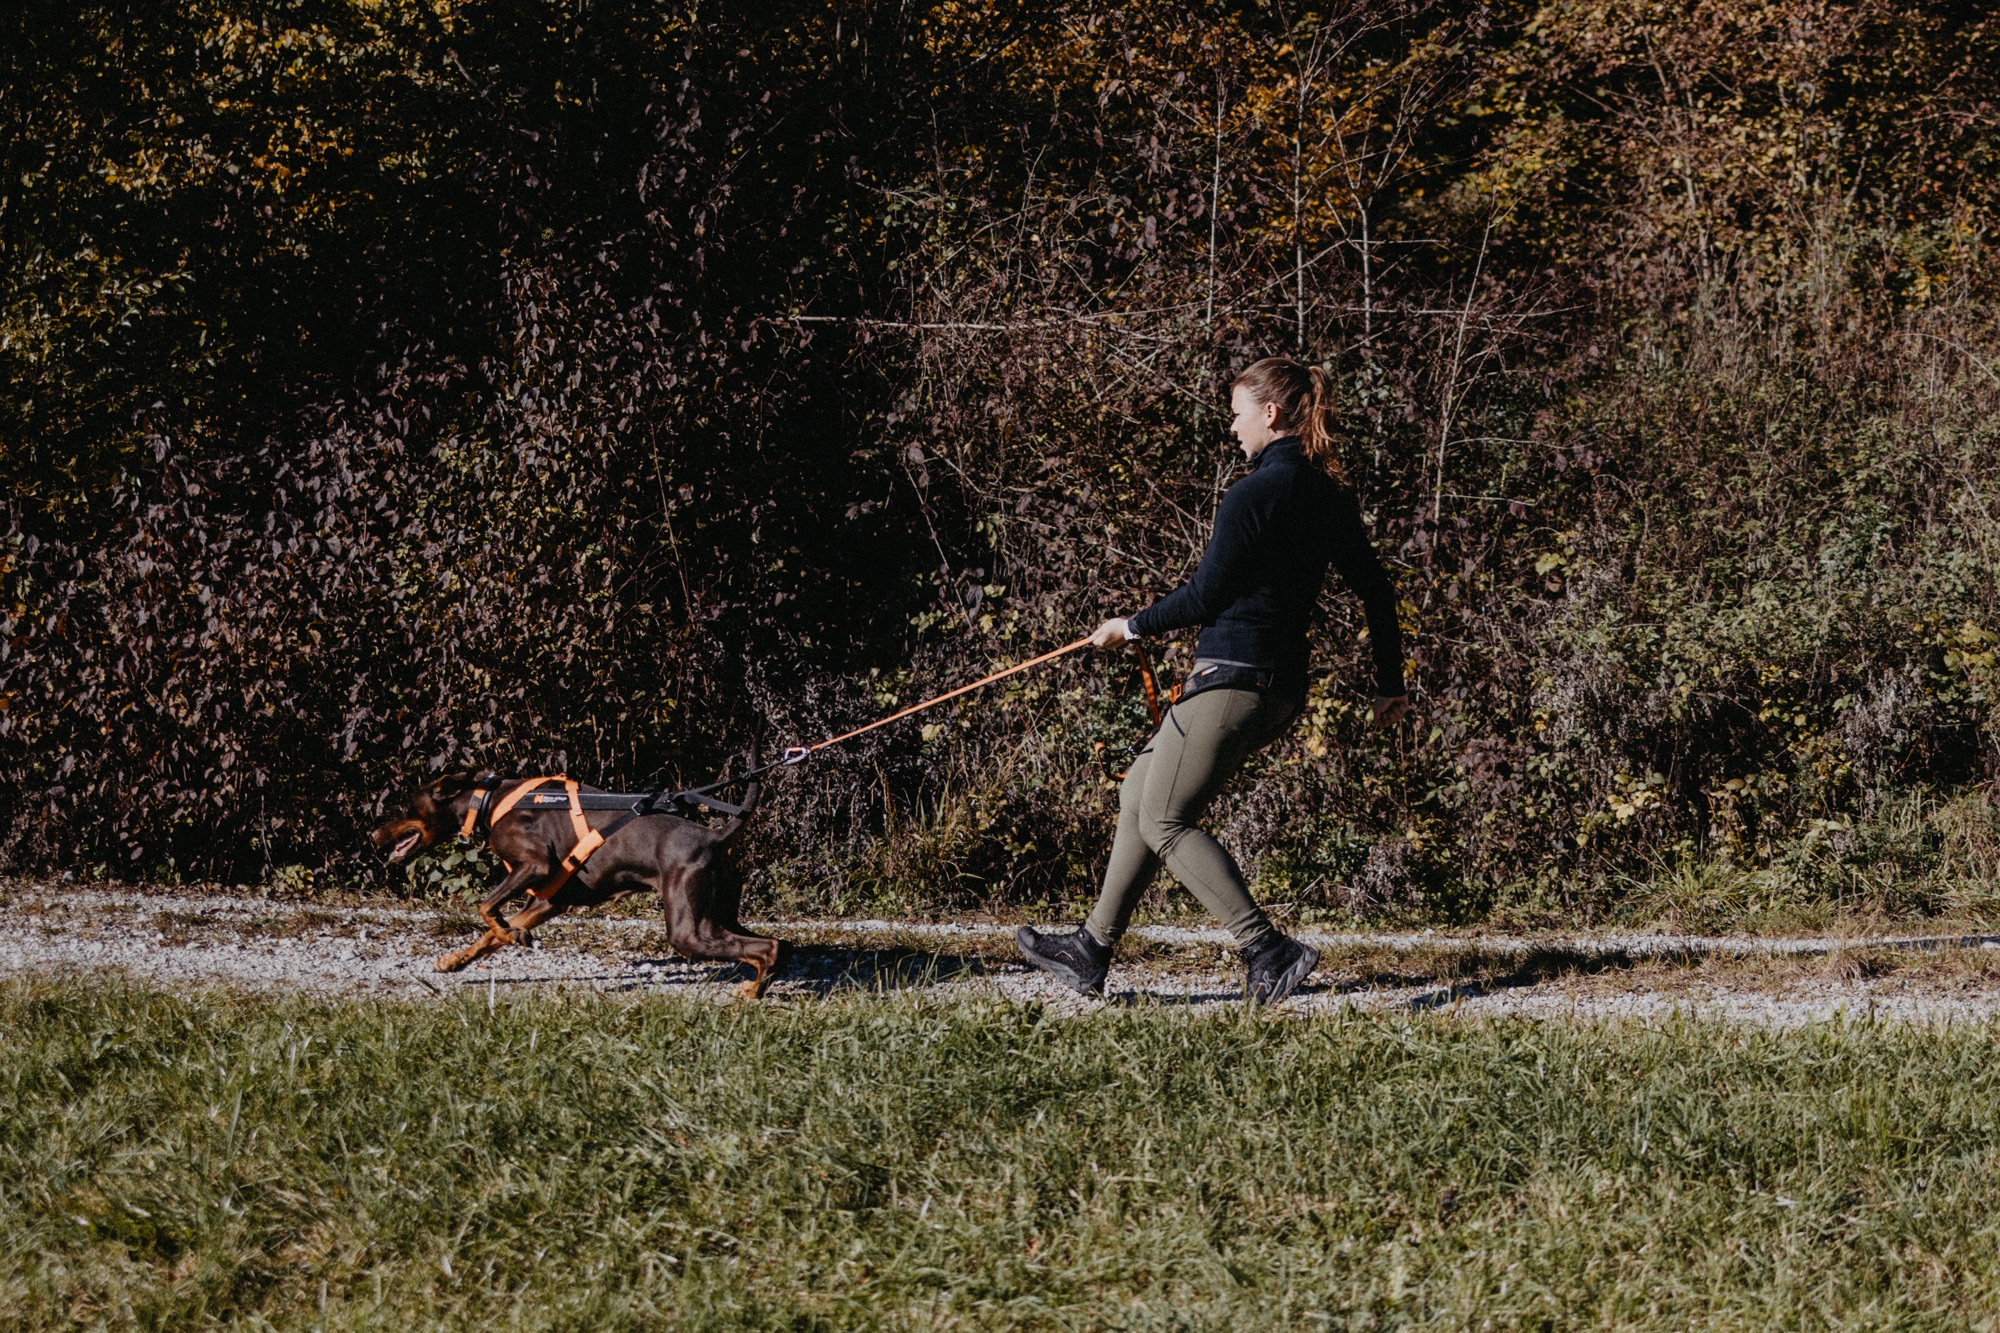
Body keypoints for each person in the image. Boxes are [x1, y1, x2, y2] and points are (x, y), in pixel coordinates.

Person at [1017, 356, 1411, 1003]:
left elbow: (1204, 596)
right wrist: (1389, 680)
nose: (1232, 428)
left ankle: (1267, 949)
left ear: (1270, 414)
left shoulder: (1252, 493)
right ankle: (1090, 949)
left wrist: (1131, 625)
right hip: (1278, 687)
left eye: (1236, 414)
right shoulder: (1327, 496)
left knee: (1167, 819)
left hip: (1233, 679)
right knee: (1139, 795)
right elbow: (1376, 589)